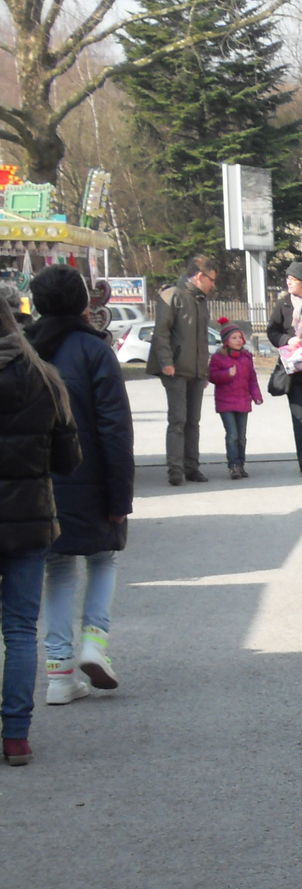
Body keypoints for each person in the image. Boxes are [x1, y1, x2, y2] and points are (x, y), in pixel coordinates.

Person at [26, 264, 133, 706]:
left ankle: (58, 673)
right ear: (82, 302)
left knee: (57, 568)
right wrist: (120, 495)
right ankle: (94, 641)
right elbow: (114, 429)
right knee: (103, 558)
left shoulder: (25, 349)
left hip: (38, 482)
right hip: (91, 476)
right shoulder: (95, 351)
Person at [0, 283, 81, 767]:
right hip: (29, 523)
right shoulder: (43, 378)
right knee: (19, 630)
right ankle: (16, 736)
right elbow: (67, 459)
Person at [147, 255, 216, 487]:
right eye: (211, 280)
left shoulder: (200, 300)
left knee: (193, 422)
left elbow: (202, 340)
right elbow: (161, 332)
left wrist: (204, 371)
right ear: (200, 276)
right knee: (178, 420)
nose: (213, 285)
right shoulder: (172, 295)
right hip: (175, 370)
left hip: (196, 371)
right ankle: (175, 471)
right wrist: (166, 361)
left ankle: (192, 467)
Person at [266, 261, 302, 477]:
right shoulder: (283, 304)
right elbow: (272, 331)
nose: (288, 282)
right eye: (287, 278)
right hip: (294, 371)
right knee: (301, 419)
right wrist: (287, 340)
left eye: (293, 279)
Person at [208, 323, 262, 480]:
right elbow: (212, 376)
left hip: (243, 401)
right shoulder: (218, 358)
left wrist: (256, 395)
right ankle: (234, 465)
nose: (239, 340)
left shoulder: (246, 357)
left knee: (241, 436)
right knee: (232, 434)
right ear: (226, 341)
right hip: (225, 403)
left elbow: (252, 378)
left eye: (240, 337)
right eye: (234, 338)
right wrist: (226, 374)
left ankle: (241, 464)